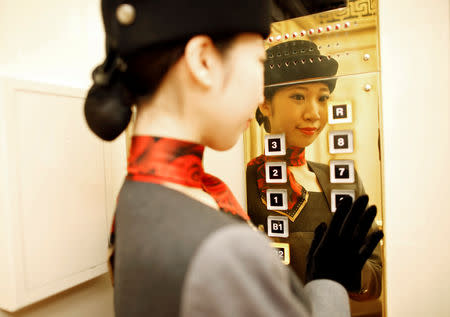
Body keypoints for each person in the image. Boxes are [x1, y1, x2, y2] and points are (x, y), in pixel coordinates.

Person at [84, 1, 383, 316]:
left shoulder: (139, 194)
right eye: (258, 60)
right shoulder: (225, 248)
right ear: (203, 61)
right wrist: (328, 282)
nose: (259, 96)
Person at [246, 40, 382, 301]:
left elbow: (376, 280)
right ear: (264, 103)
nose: (314, 113)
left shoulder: (344, 181)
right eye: (298, 96)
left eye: (322, 98)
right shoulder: (245, 183)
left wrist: (353, 271)